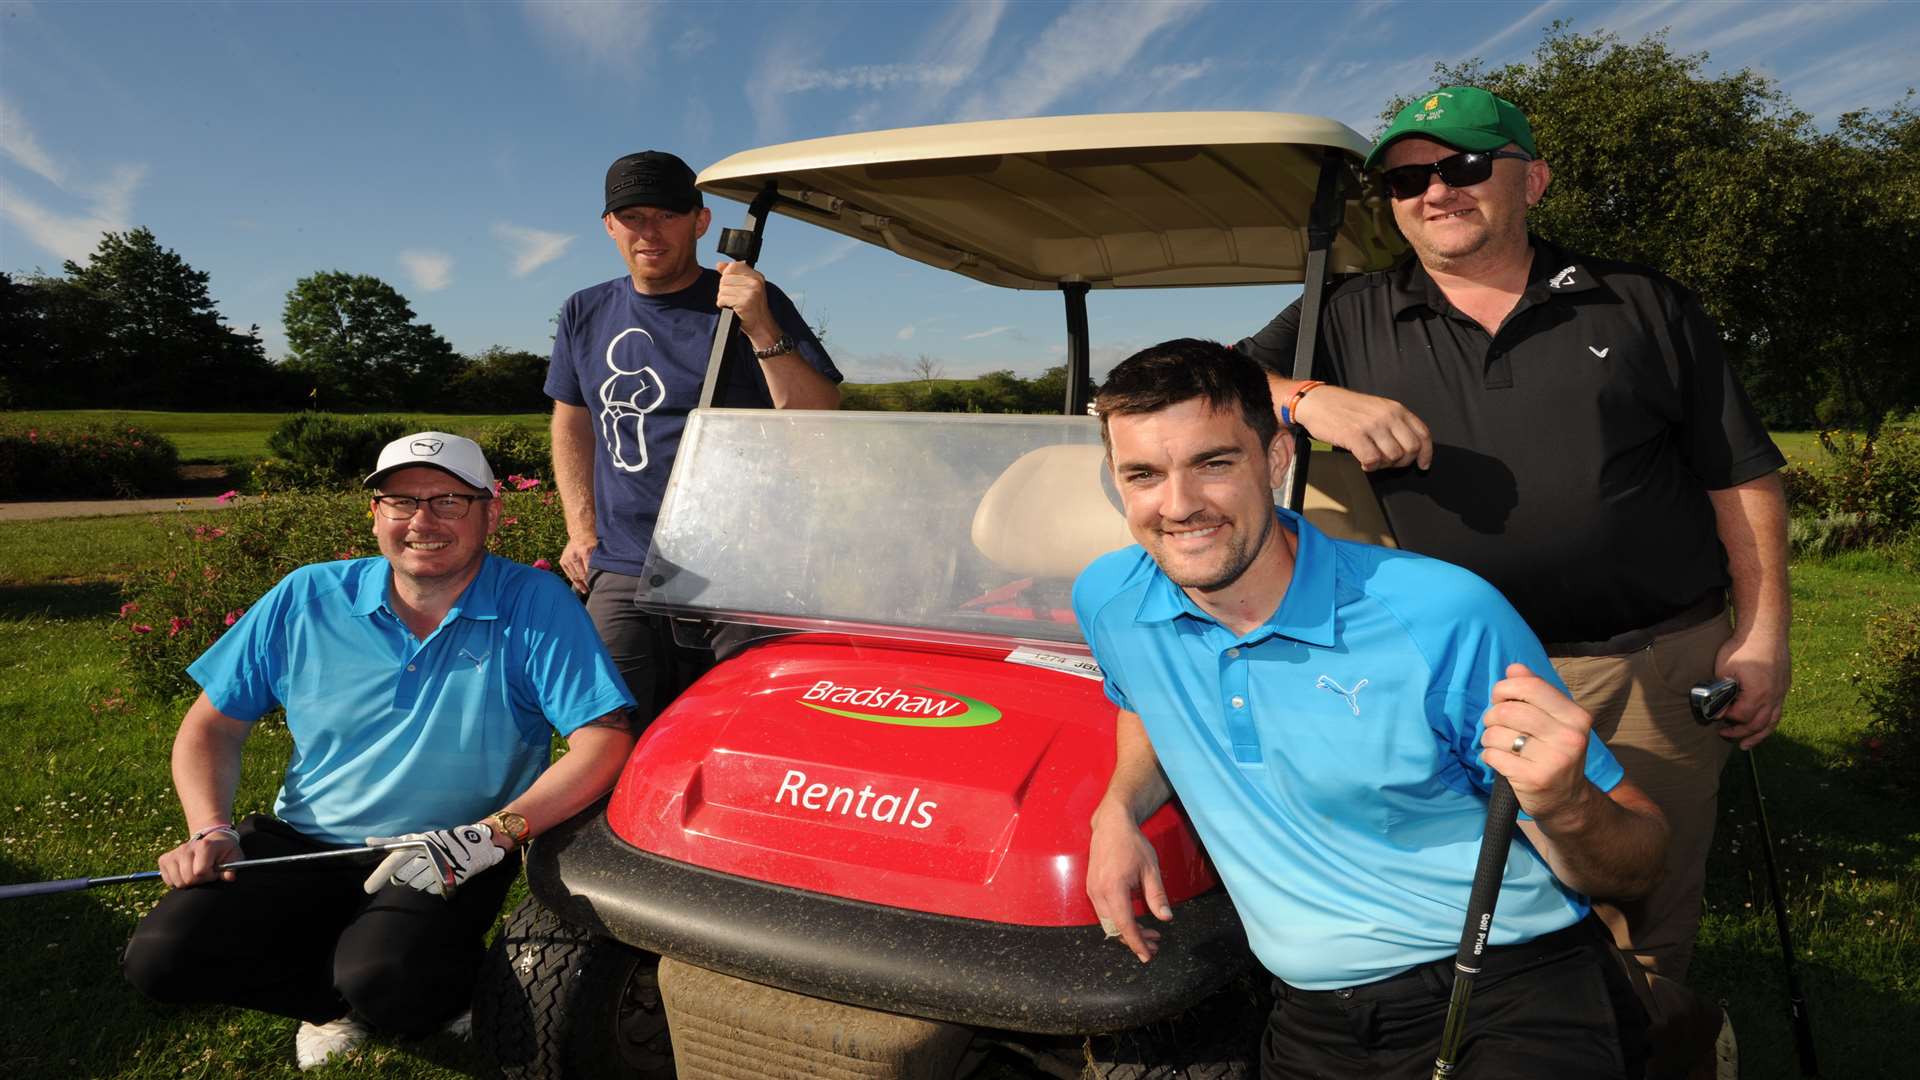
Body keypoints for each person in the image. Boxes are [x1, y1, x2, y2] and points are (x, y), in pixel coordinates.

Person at [1237, 85, 1786, 1077]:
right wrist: (1313, 396)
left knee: (1641, 898)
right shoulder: (1354, 312)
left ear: (1530, 178)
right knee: (1493, 914)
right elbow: (1203, 382)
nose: (1434, 190)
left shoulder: (1641, 301)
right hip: (1458, 683)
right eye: (1408, 177)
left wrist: (1763, 636)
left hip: (1649, 665)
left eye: (1462, 166)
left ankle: (1655, 1043)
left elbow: (1741, 474)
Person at [1077, 340, 1667, 1079]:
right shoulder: (1109, 600)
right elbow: (1144, 696)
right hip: (1311, 1013)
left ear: (1278, 457)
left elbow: (1639, 860)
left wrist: (1570, 805)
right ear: (1116, 482)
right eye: (1143, 474)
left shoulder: (1442, 614)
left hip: (1505, 986)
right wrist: (1119, 808)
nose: (1179, 505)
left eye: (1214, 463)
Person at [122, 431, 637, 1071]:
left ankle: (419, 987)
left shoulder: (533, 604)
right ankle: (338, 998)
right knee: (161, 959)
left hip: (447, 852)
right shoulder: (308, 596)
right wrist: (211, 827)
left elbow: (605, 739)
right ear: (375, 515)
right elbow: (212, 725)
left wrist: (497, 833)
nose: (422, 520)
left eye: (449, 500)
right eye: (400, 501)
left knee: (383, 973)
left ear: (491, 513)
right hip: (306, 840)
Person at [547, 150, 842, 722]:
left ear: (701, 221)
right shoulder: (585, 310)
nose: (648, 232)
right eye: (632, 216)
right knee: (607, 728)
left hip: (742, 570)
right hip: (627, 563)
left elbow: (817, 411)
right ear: (610, 225)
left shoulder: (749, 302)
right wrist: (581, 528)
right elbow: (572, 418)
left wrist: (761, 326)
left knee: (746, 725)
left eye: (667, 214)